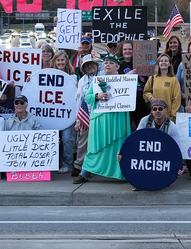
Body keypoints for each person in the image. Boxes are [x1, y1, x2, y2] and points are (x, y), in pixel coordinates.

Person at [75, 56, 132, 184]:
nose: (107, 65)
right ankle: (86, 171)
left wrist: (131, 79)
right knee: (95, 146)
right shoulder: (97, 80)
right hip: (99, 118)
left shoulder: (124, 80)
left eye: (111, 63)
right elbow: (87, 97)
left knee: (118, 145)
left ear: (117, 67)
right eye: (105, 63)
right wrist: (97, 95)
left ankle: (122, 172)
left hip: (117, 118)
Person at [135, 98, 191, 178]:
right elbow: (136, 141)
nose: (157, 111)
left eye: (160, 109)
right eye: (154, 109)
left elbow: (177, 148)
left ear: (166, 110)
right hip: (147, 154)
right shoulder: (144, 121)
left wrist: (178, 166)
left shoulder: (172, 127)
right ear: (151, 111)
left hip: (163, 156)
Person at [72, 55, 100, 176]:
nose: (90, 66)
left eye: (92, 64)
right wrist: (78, 120)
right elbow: (78, 100)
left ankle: (99, 166)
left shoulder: (103, 76)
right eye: (87, 65)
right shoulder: (82, 80)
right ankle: (79, 165)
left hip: (101, 114)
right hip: (86, 114)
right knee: (83, 141)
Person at [50, 51, 76, 173]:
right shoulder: (47, 75)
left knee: (67, 138)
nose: (60, 62)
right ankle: (52, 163)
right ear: (54, 62)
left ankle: (67, 164)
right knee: (52, 139)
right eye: (58, 60)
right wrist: (30, 80)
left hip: (67, 114)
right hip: (51, 114)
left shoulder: (73, 77)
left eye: (62, 60)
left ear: (66, 61)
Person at [144, 53, 182, 121]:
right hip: (154, 116)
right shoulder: (152, 78)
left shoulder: (174, 80)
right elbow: (146, 92)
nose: (163, 62)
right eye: (161, 61)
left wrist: (173, 116)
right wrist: (150, 97)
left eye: (166, 61)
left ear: (169, 64)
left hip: (168, 117)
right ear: (158, 64)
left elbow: (176, 99)